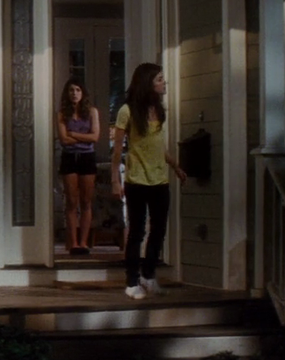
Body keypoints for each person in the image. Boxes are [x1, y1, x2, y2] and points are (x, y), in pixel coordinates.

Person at [110, 63, 187, 299]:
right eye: (160, 79)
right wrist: (115, 180)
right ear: (148, 83)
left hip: (159, 180)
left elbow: (157, 146)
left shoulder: (158, 110)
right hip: (136, 180)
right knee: (136, 232)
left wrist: (175, 166)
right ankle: (132, 281)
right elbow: (117, 150)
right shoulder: (127, 111)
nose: (164, 83)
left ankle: (148, 275)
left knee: (159, 230)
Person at [55, 78, 99, 257]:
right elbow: (63, 140)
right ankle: (73, 243)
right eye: (71, 90)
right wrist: (83, 137)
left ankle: (83, 242)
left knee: (86, 201)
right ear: (67, 93)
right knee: (72, 202)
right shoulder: (61, 114)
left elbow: (95, 137)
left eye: (78, 90)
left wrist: (72, 133)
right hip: (69, 158)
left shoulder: (92, 112)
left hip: (87, 157)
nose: (74, 93)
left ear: (83, 93)